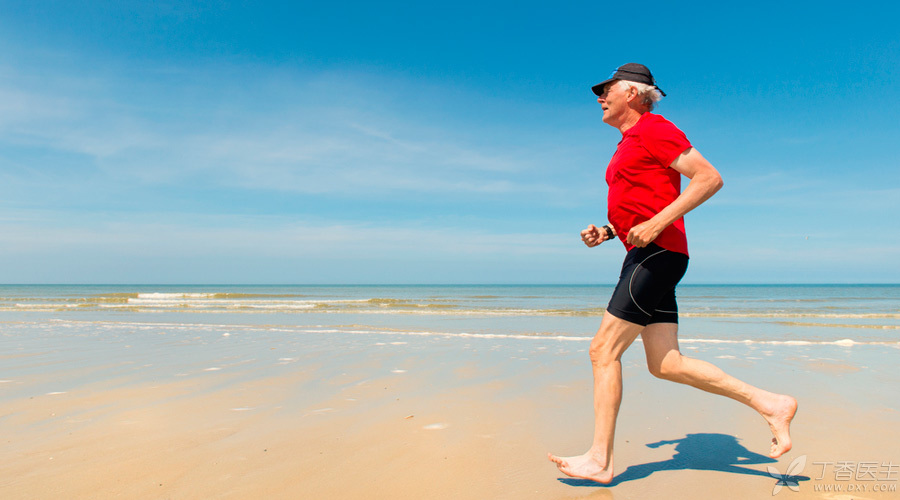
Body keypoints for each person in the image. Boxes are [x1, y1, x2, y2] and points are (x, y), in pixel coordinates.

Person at [547, 63, 798, 484]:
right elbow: (644, 203)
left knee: (602, 351)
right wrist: (609, 231)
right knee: (666, 363)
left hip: (657, 254)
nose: (599, 97)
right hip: (650, 252)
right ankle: (771, 403)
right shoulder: (629, 142)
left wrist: (658, 224)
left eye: (605, 89)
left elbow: (709, 178)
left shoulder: (654, 127)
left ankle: (600, 459)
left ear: (632, 93)